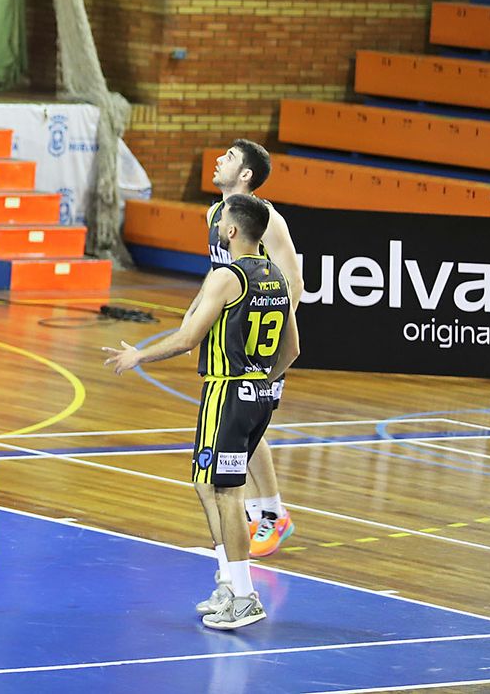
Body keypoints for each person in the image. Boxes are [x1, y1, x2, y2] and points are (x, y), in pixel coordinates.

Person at [104, 193, 300, 630]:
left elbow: (187, 338)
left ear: (232, 231)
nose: (217, 224)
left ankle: (244, 594)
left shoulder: (227, 277)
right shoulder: (277, 276)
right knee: (205, 483)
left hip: (225, 392)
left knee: (227, 494)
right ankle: (230, 582)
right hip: (259, 394)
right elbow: (293, 348)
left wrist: (138, 355)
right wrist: (261, 381)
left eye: (222, 219)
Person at [190, 139, 303, 557]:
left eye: (230, 157)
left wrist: (269, 339)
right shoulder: (215, 214)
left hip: (260, 340)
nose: (219, 159)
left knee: (248, 428)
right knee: (237, 426)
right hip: (227, 339)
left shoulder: (267, 219)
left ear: (246, 175)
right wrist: (198, 324)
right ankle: (264, 512)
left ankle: (272, 514)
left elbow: (293, 283)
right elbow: (219, 278)